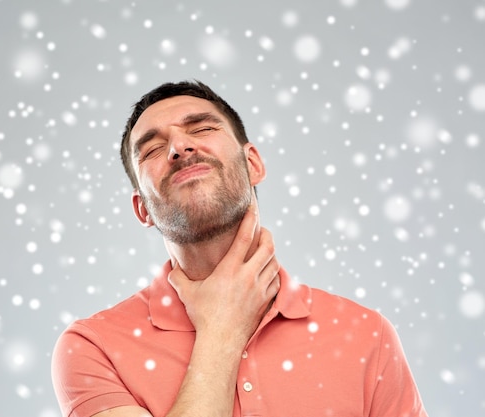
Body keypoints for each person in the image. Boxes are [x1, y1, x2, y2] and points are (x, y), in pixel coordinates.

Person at [51, 80, 427, 417]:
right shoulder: (92, 348)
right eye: (152, 149)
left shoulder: (367, 336)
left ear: (253, 164)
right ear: (142, 209)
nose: (179, 147)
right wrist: (221, 329)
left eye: (201, 128)